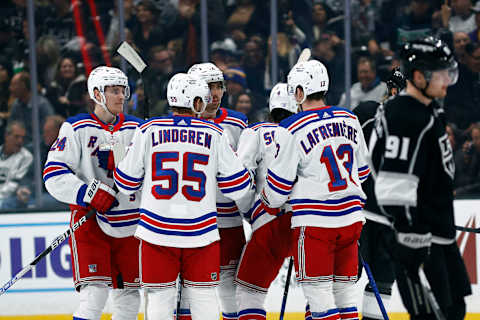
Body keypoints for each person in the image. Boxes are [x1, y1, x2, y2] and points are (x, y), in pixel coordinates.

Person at [114, 73, 253, 320]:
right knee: (205, 300)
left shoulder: (147, 130)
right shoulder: (214, 133)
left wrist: (131, 155)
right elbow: (239, 187)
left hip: (156, 232)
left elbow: (125, 183)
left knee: (158, 301)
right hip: (201, 232)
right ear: (197, 103)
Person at [261, 59, 371, 320]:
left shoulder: (291, 128)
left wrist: (266, 199)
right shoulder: (350, 118)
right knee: (345, 297)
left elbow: (277, 190)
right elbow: (363, 172)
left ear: (299, 92)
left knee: (319, 297)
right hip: (352, 220)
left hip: (316, 225)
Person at [374, 36, 471, 320]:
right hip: (419, 238)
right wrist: (410, 238)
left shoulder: (427, 109)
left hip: (438, 234)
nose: (447, 78)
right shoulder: (405, 116)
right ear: (418, 76)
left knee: (455, 309)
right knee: (431, 315)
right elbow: (393, 183)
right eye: (440, 72)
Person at [43, 66, 142, 320]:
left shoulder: (138, 129)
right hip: (91, 222)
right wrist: (88, 193)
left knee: (129, 297)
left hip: (130, 223)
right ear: (97, 94)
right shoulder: (76, 128)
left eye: (124, 91)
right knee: (94, 295)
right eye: (115, 91)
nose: (122, 96)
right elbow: (53, 175)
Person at [187, 62, 248, 320]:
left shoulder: (238, 123)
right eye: (208, 86)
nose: (214, 93)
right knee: (188, 291)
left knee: (229, 286)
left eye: (218, 86)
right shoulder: (178, 125)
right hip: (188, 220)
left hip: (228, 218)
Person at [234, 83, 298, 320]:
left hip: (271, 220)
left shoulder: (256, 132)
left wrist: (250, 213)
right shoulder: (307, 128)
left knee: (249, 291)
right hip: (310, 220)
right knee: (320, 291)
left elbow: (240, 178)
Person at [352, 68, 406, 320]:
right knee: (345, 275)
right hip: (357, 213)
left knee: (382, 280)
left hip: (389, 219)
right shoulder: (365, 113)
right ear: (393, 90)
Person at [0, 121, 33, 210]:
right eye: (16, 137)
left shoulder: (26, 157)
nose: (20, 141)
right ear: (6, 136)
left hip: (10, 199)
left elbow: (13, 185)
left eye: (22, 138)